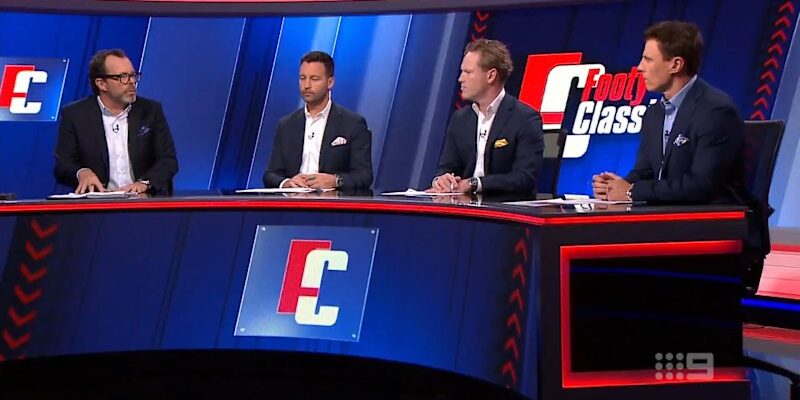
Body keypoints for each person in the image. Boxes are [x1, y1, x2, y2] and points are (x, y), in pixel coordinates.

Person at [592, 21, 745, 205]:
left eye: (648, 60)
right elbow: (645, 172)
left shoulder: (715, 111)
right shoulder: (654, 114)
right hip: (667, 212)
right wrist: (615, 186)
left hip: (710, 215)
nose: (640, 67)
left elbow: (701, 186)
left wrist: (632, 191)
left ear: (676, 65)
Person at [54, 49, 178, 195]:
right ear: (102, 84)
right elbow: (63, 166)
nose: (132, 82)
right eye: (123, 77)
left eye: (133, 75)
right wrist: (82, 172)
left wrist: (144, 183)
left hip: (144, 199)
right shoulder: (75, 115)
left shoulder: (151, 111)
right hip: (99, 202)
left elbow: (168, 160)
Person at [430, 39, 544, 195]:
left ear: (491, 76)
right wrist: (441, 180)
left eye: (468, 72)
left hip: (504, 205)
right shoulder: (460, 119)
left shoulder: (525, 119)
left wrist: (475, 184)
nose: (460, 78)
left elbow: (524, 178)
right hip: (463, 204)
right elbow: (447, 167)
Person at [263, 51, 372, 190]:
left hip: (331, 201)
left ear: (330, 82)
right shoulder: (286, 125)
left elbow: (364, 175)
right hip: (293, 200)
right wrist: (287, 183)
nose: (307, 85)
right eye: (302, 78)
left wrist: (335, 181)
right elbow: (271, 174)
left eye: (314, 79)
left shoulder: (353, 124)